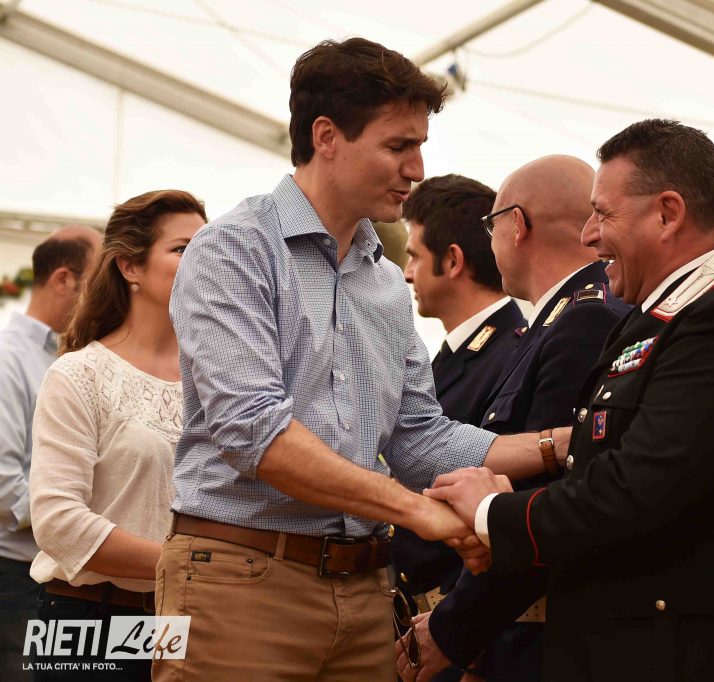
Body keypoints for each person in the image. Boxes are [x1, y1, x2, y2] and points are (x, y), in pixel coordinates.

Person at [156, 38, 558, 681]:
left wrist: (559, 445)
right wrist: (420, 511)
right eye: (399, 146)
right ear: (326, 137)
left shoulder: (383, 281)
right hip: (242, 587)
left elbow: (419, 438)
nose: (417, 169)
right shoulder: (233, 248)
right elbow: (255, 432)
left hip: (367, 596)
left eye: (419, 146)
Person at [426, 120, 714, 681]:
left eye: (603, 214)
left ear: (667, 214)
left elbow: (637, 488)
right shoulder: (660, 319)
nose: (588, 236)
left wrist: (493, 513)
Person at [398, 156, 630, 682]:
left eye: (492, 226)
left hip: (533, 642)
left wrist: (457, 632)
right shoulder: (557, 322)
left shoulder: (585, 320)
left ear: (517, 225)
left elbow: (543, 504)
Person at [28, 191, 206, 680]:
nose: (202, 260)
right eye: (182, 249)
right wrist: (191, 564)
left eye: (208, 247)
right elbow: (58, 521)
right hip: (87, 616)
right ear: (130, 267)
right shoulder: (79, 374)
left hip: (184, 616)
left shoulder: (215, 379)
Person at [392, 174, 525, 681]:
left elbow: (509, 502)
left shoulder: (514, 353)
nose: (406, 273)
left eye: (414, 256)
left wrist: (469, 644)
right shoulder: (446, 359)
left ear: (452, 261)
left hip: (465, 640)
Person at [0, 227, 100, 680]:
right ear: (63, 279)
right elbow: (4, 487)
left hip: (63, 574)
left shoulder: (75, 356)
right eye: (98, 280)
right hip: (18, 574)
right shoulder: (8, 358)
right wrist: (68, 520)